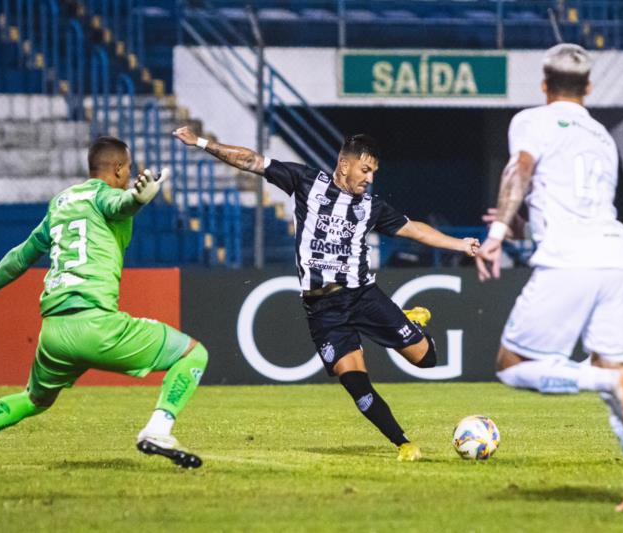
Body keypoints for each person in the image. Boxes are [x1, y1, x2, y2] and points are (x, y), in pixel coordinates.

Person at [174, 127, 479, 461]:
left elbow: (414, 229)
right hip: (323, 309)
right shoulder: (305, 182)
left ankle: (409, 322)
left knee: (427, 359)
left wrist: (459, 243)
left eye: (374, 173)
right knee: (354, 382)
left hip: (362, 296)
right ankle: (404, 444)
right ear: (344, 165)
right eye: (365, 170)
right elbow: (251, 161)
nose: (369, 179)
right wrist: (201, 143)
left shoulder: (370, 207)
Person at [475, 44, 623, 511]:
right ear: (589, 88)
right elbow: (564, 198)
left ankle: (603, 383)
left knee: (512, 367)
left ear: (544, 85)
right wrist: (519, 221)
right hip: (616, 261)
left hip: (567, 262)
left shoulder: (531, 121)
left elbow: (521, 171)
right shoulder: (602, 136)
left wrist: (498, 232)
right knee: (618, 377)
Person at [0, 136, 207, 470]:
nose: (130, 176)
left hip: (54, 333)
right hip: (96, 325)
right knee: (193, 353)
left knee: (34, 399)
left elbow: (22, 255)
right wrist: (137, 199)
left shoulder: (61, 202)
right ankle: (157, 430)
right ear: (117, 169)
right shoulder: (110, 195)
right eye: (128, 170)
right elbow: (119, 206)